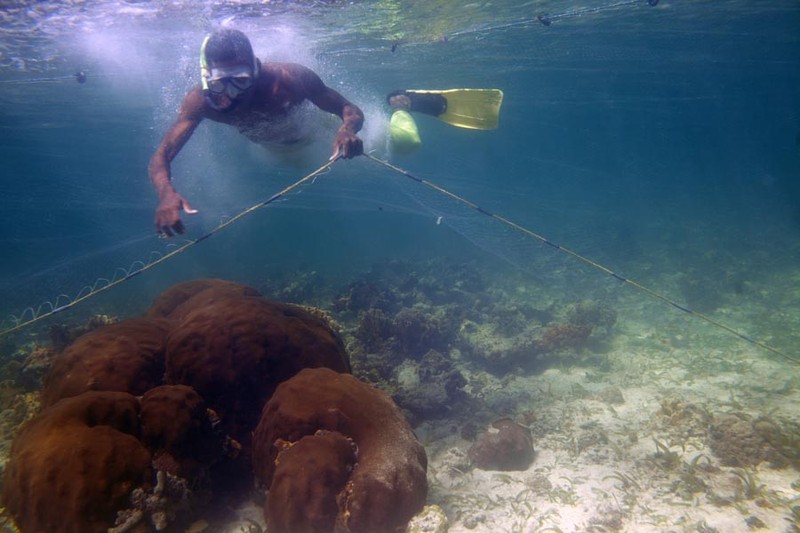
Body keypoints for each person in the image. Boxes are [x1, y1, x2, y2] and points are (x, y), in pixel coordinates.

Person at [149, 28, 364, 237]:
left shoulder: (289, 78)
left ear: (256, 68)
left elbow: (349, 109)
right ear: (207, 77)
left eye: (240, 80)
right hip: (275, 151)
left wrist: (346, 130)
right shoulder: (199, 101)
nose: (232, 93)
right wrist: (166, 192)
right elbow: (161, 156)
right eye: (220, 83)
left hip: (320, 133)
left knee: (359, 164)